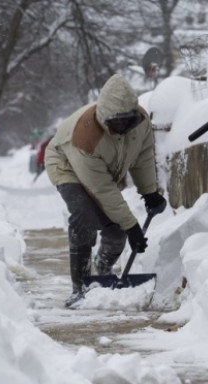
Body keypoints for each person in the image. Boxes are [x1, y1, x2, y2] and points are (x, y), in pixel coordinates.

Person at [45, 74, 167, 308]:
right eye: (116, 121)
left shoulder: (140, 123)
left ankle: (103, 267)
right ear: (104, 116)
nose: (122, 126)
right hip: (66, 164)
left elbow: (142, 157)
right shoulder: (85, 136)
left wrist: (149, 192)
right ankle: (80, 286)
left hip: (103, 167)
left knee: (116, 226)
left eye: (126, 120)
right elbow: (101, 190)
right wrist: (133, 227)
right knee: (84, 215)